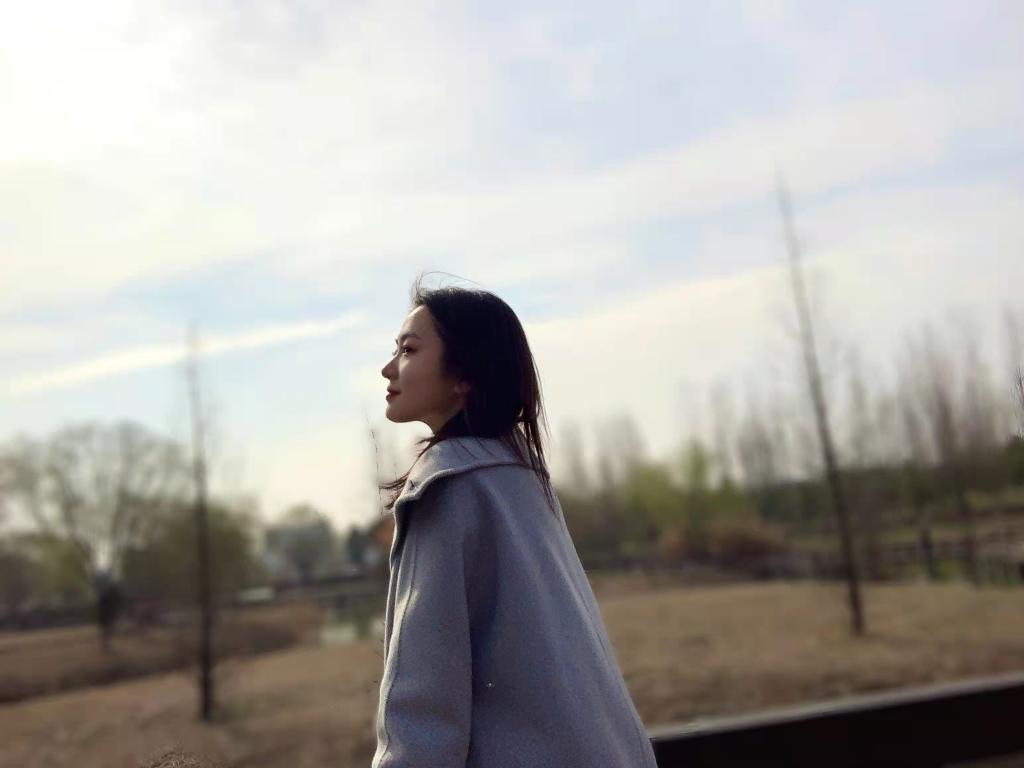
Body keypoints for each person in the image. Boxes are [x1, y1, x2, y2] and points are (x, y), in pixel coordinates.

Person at [372, 275, 660, 768]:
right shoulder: (523, 479)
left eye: (409, 350)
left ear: (464, 375)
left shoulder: (446, 490)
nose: (388, 367)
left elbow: (421, 704)